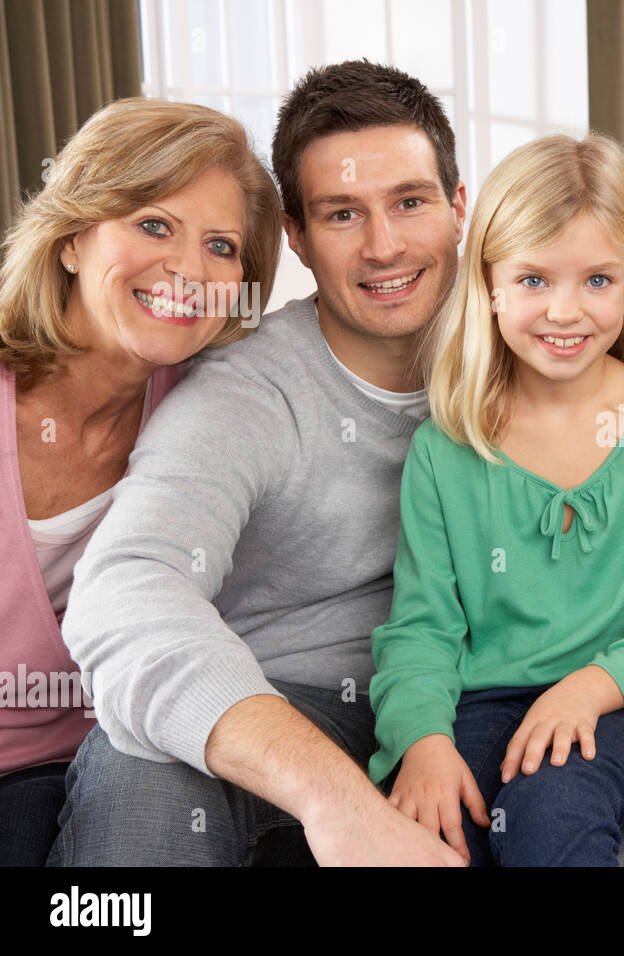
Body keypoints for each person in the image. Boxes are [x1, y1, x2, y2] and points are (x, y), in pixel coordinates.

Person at [48, 61, 468, 866]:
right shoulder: (243, 394)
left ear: (457, 207)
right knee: (139, 769)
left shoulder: (539, 346)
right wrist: (331, 797)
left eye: (410, 202)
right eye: (343, 214)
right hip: (264, 705)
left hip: (455, 702)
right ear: (296, 238)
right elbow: (127, 588)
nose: (384, 247)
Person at [369, 133, 624, 867]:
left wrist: (589, 690)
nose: (566, 312)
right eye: (534, 281)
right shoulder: (446, 450)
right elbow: (422, 631)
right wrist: (424, 739)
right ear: (490, 284)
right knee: (432, 823)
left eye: (596, 281)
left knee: (550, 804)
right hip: (484, 701)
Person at [0, 98, 281, 866]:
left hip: (120, 754)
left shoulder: (209, 410)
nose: (189, 270)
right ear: (71, 240)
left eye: (221, 246)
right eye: (155, 225)